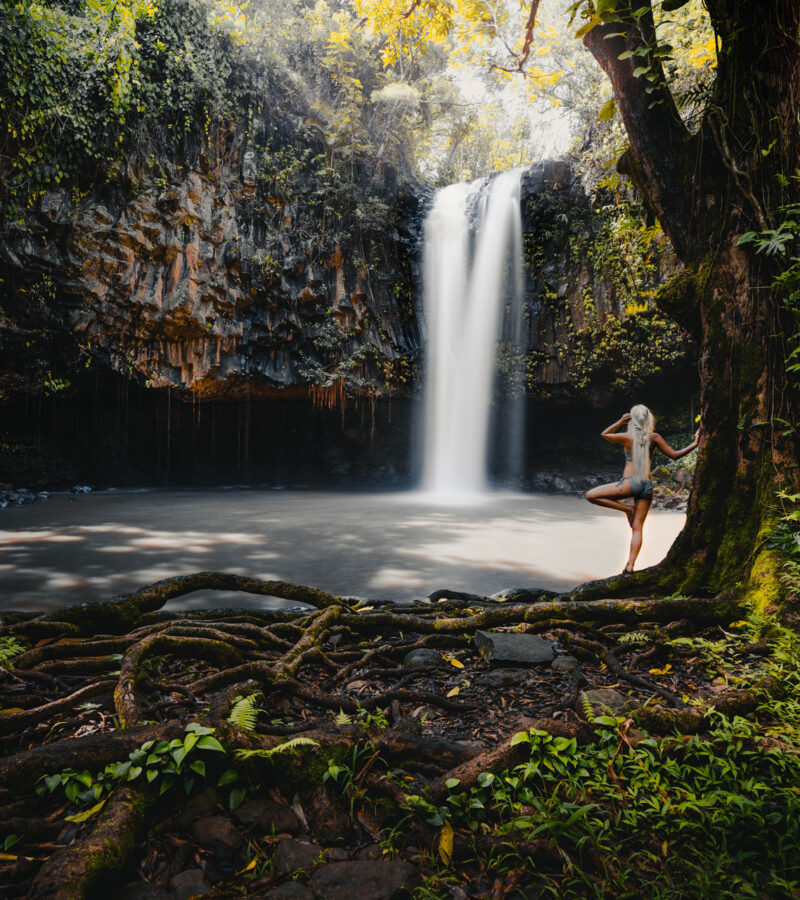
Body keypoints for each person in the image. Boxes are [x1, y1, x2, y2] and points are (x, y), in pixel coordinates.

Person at [585, 404, 700, 574]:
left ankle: (626, 509)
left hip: (630, 482)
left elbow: (605, 434)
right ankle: (630, 565)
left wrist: (620, 421)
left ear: (632, 420)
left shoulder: (627, 437)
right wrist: (695, 443)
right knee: (638, 528)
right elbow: (675, 455)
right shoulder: (654, 437)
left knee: (591, 495)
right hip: (646, 484)